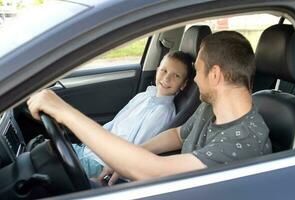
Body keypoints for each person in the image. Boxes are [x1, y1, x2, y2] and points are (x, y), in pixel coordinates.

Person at [27, 31, 272, 186]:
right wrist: (125, 156)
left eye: (197, 71)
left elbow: (155, 172)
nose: (196, 80)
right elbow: (177, 135)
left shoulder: (244, 140)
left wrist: (64, 112)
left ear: (215, 74)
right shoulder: (211, 108)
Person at [69, 51, 195, 178]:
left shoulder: (162, 112)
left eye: (176, 76)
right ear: (157, 70)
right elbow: (115, 123)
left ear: (183, 84)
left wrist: (114, 164)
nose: (167, 78)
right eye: (164, 70)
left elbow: (138, 148)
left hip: (102, 164)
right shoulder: (144, 96)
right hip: (90, 150)